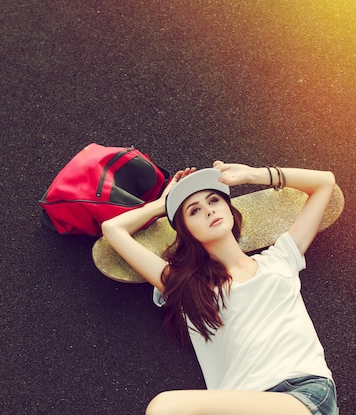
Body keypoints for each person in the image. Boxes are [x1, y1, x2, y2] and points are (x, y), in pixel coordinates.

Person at [101, 161, 339, 415]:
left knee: (165, 408)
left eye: (214, 200)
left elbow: (324, 182)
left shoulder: (281, 258)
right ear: (187, 232)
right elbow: (113, 229)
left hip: (303, 393)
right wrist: (164, 204)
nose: (209, 211)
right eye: (194, 211)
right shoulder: (188, 287)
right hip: (236, 402)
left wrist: (252, 174)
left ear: (228, 207)